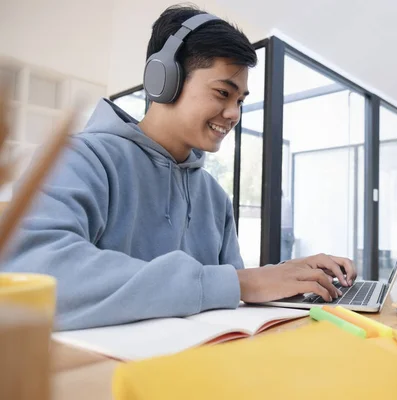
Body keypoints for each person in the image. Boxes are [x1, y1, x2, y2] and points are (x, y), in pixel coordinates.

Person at [2, 4, 356, 331]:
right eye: (222, 93)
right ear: (163, 81)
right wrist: (236, 282)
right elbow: (35, 274)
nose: (234, 113)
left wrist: (288, 277)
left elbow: (229, 296)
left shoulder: (214, 198)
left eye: (240, 101)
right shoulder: (79, 158)